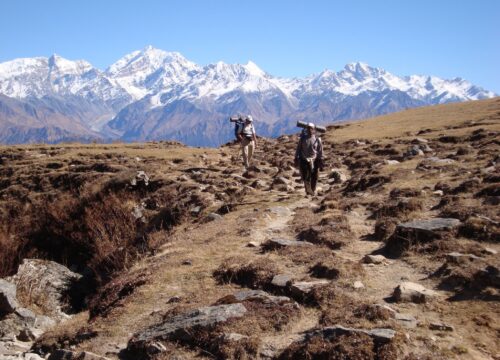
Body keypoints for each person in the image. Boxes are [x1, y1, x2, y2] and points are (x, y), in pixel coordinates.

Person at [295, 123, 324, 196]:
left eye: (311, 128)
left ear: (314, 129)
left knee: (314, 176)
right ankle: (308, 191)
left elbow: (320, 150)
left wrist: (320, 160)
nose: (309, 130)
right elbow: (298, 148)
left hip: (314, 160)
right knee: (306, 176)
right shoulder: (302, 138)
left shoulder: (317, 139)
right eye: (308, 128)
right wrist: (296, 157)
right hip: (304, 159)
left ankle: (312, 190)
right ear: (306, 129)